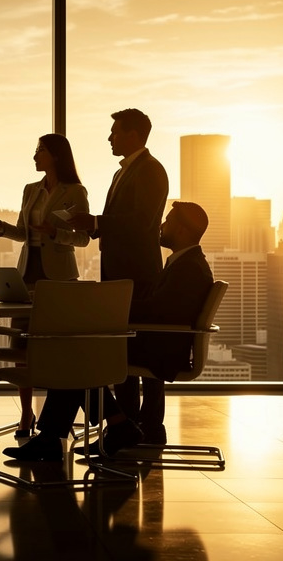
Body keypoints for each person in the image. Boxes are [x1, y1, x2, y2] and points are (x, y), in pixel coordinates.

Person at [3, 201, 213, 461]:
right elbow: (157, 307)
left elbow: (157, 312)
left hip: (161, 350)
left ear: (181, 231)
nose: (161, 226)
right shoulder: (185, 262)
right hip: (158, 343)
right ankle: (105, 427)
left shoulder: (188, 268)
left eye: (167, 221)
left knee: (78, 353)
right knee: (78, 352)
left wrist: (107, 308)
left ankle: (80, 432)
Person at [0, 134, 90, 437]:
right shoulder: (31, 190)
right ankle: (26, 415)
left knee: (56, 348)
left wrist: (54, 233)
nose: (35, 156)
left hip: (59, 277)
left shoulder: (75, 191)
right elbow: (24, 233)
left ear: (56, 156)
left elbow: (83, 238)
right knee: (21, 346)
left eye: (40, 151)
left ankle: (55, 418)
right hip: (28, 274)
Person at [67, 108, 170, 444]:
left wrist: (95, 222)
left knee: (143, 349)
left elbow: (141, 222)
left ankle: (150, 426)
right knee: (120, 350)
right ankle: (125, 425)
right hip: (118, 273)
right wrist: (92, 227)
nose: (109, 137)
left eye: (115, 131)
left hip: (139, 275)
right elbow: (120, 221)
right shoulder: (121, 174)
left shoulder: (152, 170)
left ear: (133, 135)